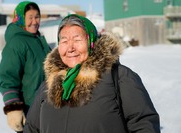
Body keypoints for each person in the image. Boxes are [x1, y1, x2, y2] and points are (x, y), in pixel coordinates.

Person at [23, 14, 160, 133]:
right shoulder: (48, 84)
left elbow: (144, 123)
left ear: (91, 42)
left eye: (77, 40)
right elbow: (32, 128)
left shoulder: (119, 77)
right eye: (64, 41)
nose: (70, 48)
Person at [0, 1, 51, 132]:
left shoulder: (39, 41)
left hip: (47, 110)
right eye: (30, 17)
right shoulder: (17, 42)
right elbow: (8, 76)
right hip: (29, 112)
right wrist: (13, 108)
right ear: (20, 19)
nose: (34, 21)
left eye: (37, 17)